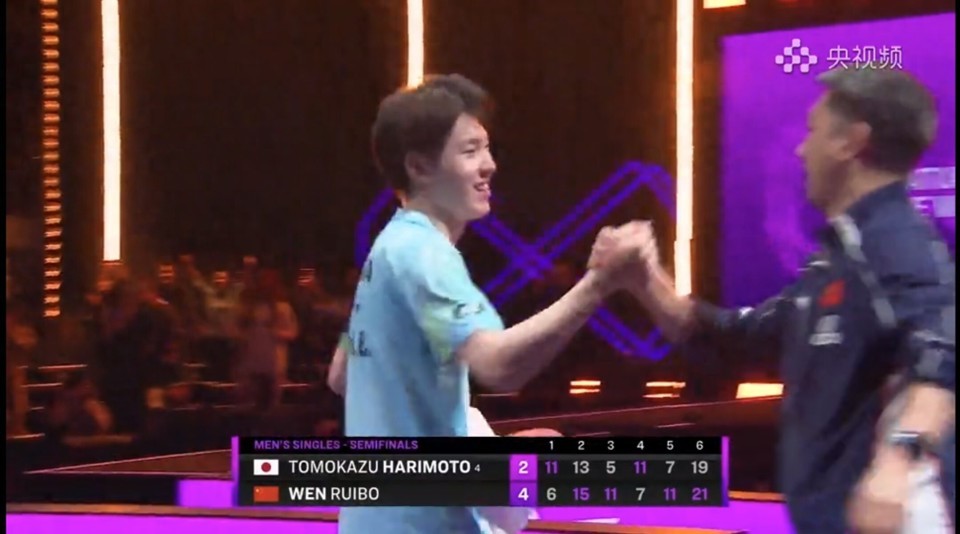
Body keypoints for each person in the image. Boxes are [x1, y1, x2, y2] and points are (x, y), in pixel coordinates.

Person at [591, 68, 955, 533]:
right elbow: (733, 338)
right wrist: (642, 278)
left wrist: (899, 461)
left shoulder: (899, 243)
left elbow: (942, 356)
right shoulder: (836, 264)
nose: (802, 150)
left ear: (850, 143)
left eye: (813, 131)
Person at [330, 74, 644, 534]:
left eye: (487, 148)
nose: (489, 165)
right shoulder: (425, 255)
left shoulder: (388, 248)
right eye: (469, 151)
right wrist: (598, 284)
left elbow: (341, 376)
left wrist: (470, 435)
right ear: (419, 167)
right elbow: (499, 365)